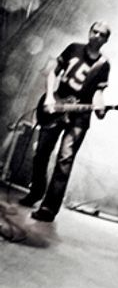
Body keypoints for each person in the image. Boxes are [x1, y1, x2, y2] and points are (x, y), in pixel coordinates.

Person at [19, 21, 111, 222]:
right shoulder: (73, 49)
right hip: (56, 107)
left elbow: (99, 92)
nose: (97, 35)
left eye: (102, 34)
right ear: (89, 32)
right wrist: (49, 96)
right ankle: (36, 192)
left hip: (79, 117)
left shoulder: (104, 64)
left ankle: (48, 208)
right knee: (41, 153)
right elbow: (54, 72)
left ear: (106, 40)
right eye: (94, 31)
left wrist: (100, 106)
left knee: (65, 160)